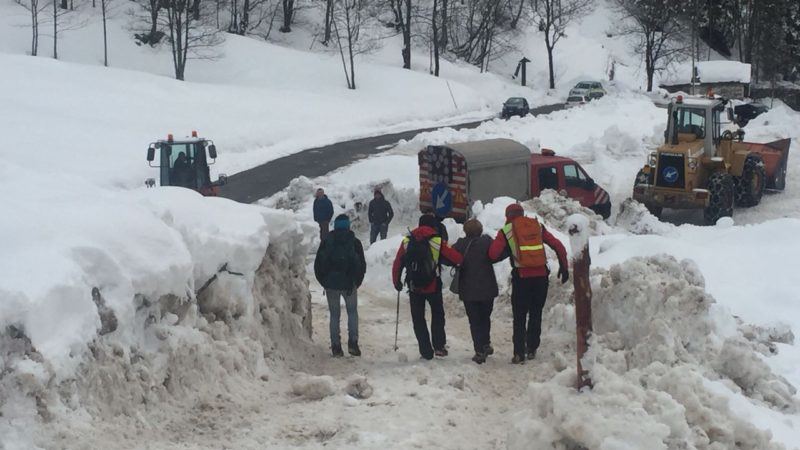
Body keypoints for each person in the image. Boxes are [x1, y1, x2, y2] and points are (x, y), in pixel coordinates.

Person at [488, 203, 569, 364]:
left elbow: (492, 254)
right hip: (541, 278)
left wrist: (507, 251)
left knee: (519, 315)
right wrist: (564, 267)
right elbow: (558, 245)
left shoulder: (507, 230)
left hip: (522, 278)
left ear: (508, 216)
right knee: (536, 313)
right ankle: (532, 348)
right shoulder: (537, 226)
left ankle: (518, 353)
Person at [392, 215, 463, 360]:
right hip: (433, 285)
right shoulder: (437, 241)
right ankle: (438, 347)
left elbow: (397, 263)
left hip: (414, 286)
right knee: (437, 315)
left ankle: (425, 351)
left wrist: (397, 282)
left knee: (418, 318)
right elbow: (456, 258)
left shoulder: (407, 241)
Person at [314, 214, 367, 357]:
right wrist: (357, 282)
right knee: (352, 312)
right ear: (348, 226)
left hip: (331, 284)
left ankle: (336, 346)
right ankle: (353, 343)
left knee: (334, 315)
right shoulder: (354, 242)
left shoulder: (327, 241)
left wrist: (324, 282)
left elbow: (318, 264)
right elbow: (361, 264)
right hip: (349, 284)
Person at [452, 219, 498, 364]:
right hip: (487, 288)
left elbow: (450, 257)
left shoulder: (460, 245)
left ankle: (479, 350)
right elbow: (497, 255)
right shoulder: (487, 242)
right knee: (485, 317)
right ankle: (485, 343)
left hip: (468, 289)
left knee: (474, 320)